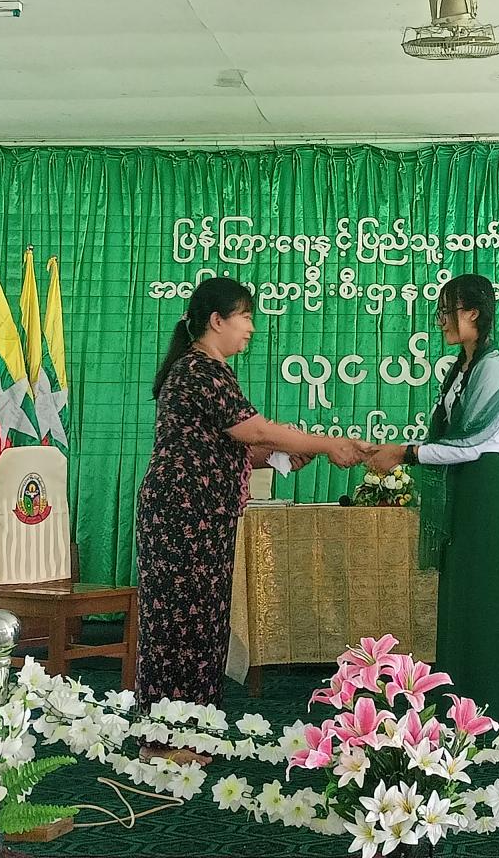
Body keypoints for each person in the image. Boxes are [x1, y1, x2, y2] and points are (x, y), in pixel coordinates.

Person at [137, 278, 367, 752]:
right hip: (184, 517)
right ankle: (165, 739)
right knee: (181, 625)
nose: (251, 328)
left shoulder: (206, 369)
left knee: (201, 624)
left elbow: (227, 446)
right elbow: (256, 430)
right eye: (244, 317)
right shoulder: (201, 369)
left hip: (200, 517)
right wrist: (327, 444)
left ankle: (188, 735)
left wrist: (282, 457)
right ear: (216, 321)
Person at [365, 274, 499, 722]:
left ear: (473, 312)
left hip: (486, 491)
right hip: (463, 492)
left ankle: (491, 715)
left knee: (484, 603)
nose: (441, 322)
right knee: (459, 602)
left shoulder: (494, 367)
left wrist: (404, 453)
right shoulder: (461, 367)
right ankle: (457, 715)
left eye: (447, 312)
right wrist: (401, 451)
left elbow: (471, 443)